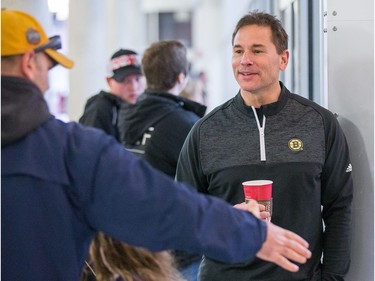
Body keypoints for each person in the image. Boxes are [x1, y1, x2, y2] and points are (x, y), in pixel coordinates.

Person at [1, 9, 312, 281]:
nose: (46, 80)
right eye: (47, 66)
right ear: (30, 63)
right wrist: (249, 231)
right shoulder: (69, 152)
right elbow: (165, 207)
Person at [176, 11, 353, 281]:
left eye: (257, 50)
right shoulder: (205, 132)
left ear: (283, 59)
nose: (245, 61)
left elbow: (339, 207)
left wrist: (332, 277)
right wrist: (222, 220)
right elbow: (183, 215)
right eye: (238, 51)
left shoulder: (319, 123)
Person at [118, 40, 206, 280]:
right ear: (181, 78)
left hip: (137, 244)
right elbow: (205, 185)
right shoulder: (184, 125)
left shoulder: (126, 115)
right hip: (177, 251)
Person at [79, 48, 145, 141]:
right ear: (109, 81)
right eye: (124, 80)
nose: (133, 87)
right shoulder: (99, 109)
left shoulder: (143, 106)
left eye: (137, 79)